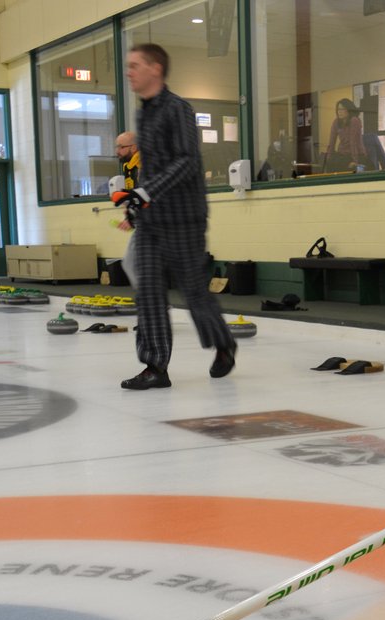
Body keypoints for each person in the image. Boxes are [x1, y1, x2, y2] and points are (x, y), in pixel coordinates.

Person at [116, 43, 237, 390]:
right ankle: (155, 366)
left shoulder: (178, 109)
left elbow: (186, 161)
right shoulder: (144, 114)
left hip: (185, 218)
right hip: (154, 221)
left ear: (156, 69)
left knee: (194, 291)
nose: (129, 72)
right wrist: (137, 201)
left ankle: (223, 343)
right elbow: (152, 167)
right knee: (149, 292)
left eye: (135, 65)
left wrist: (147, 192)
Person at [115, 131, 140, 289]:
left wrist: (131, 217)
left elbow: (146, 194)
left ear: (134, 147)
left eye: (121, 147)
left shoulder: (144, 165)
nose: (117, 151)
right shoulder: (128, 167)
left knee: (131, 263)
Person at [324, 98, 368, 172]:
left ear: (348, 110)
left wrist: (355, 161)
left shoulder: (354, 121)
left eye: (342, 109)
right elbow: (331, 143)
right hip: (343, 155)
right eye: (338, 109)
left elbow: (353, 142)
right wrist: (328, 159)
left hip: (356, 154)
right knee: (331, 163)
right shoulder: (336, 122)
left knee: (346, 165)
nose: (339, 112)